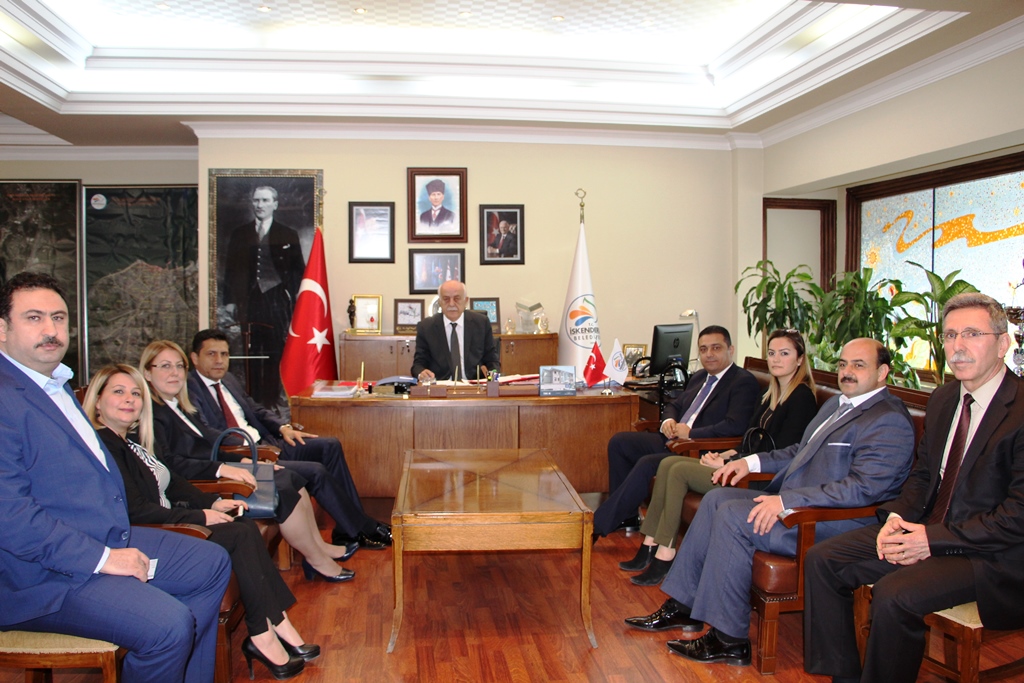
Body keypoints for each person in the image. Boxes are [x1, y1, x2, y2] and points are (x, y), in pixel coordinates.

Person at [624, 338, 916, 668]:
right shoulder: (837, 404)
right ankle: (684, 606)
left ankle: (729, 639)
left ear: (883, 372)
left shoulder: (887, 419)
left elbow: (863, 489)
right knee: (717, 498)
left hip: (831, 522)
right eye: (843, 364)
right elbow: (799, 452)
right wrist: (748, 463)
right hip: (800, 505)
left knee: (733, 515)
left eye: (858, 365)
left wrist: (787, 501)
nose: (847, 372)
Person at [0, 272, 231, 683]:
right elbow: (12, 520)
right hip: (37, 577)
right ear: (3, 328)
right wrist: (104, 559)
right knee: (168, 626)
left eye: (58, 317)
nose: (51, 330)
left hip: (97, 536)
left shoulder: (53, 386)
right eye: (34, 318)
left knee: (210, 562)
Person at [804, 294, 1024, 683]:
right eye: (950, 335)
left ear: (1003, 343)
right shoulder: (943, 399)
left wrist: (930, 540)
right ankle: (843, 676)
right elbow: (922, 477)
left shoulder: (1019, 409)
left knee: (895, 595)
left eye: (972, 334)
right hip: (927, 528)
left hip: (991, 555)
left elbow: (1016, 517)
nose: (958, 346)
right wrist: (896, 518)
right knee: (824, 559)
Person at [84, 364, 314, 680]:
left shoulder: (130, 443)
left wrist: (212, 502)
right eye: (118, 392)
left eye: (136, 393)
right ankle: (265, 631)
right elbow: (135, 511)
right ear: (97, 401)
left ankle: (273, 623)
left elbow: (173, 482)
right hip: (153, 534)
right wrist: (200, 516)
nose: (129, 399)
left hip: (169, 523)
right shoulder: (104, 445)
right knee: (239, 534)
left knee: (242, 523)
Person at [140, 340, 359, 581]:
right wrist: (223, 468)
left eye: (179, 366)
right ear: (147, 373)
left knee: (290, 476)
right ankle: (316, 560)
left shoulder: (181, 407)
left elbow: (210, 447)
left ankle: (319, 547)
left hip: (217, 468)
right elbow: (172, 465)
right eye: (165, 366)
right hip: (199, 484)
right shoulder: (152, 415)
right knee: (281, 486)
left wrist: (244, 462)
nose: (174, 373)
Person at [622, 329, 819, 586]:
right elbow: (750, 438)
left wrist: (730, 463)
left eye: (784, 354)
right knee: (668, 463)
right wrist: (727, 454)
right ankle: (650, 543)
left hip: (760, 479)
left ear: (800, 359)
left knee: (678, 470)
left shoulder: (801, 397)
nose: (776, 359)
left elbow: (783, 454)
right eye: (772, 353)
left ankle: (665, 554)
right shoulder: (771, 394)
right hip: (742, 465)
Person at [187, 328, 392, 549]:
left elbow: (256, 410)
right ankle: (362, 528)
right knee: (316, 471)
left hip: (267, 442)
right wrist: (250, 450)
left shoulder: (228, 380)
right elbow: (207, 434)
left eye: (224, 354)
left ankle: (349, 529)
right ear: (194, 358)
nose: (219, 361)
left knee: (329, 446)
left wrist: (283, 427)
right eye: (211, 354)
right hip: (246, 454)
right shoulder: (189, 389)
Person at [593, 325, 761, 538]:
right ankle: (626, 516)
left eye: (716, 348)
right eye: (703, 349)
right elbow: (675, 404)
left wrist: (690, 433)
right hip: (674, 440)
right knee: (620, 442)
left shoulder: (742, 382)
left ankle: (598, 525)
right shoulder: (699, 376)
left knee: (648, 463)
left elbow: (734, 426)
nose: (709, 354)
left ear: (731, 350)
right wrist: (669, 420)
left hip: (700, 448)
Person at [222, 185, 306, 409]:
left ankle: (269, 400)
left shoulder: (288, 234)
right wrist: (230, 301)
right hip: (248, 300)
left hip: (276, 300)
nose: (260, 205)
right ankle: (253, 400)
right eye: (256, 200)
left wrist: (292, 297)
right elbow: (231, 269)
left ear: (275, 204)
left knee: (274, 350)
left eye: (265, 200)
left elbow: (298, 270)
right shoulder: (240, 234)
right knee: (250, 349)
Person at [412, 279, 500, 382]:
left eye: (457, 299)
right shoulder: (426, 327)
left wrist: (492, 380)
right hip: (441, 385)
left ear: (465, 301)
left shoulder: (481, 323)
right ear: (440, 302)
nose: (451, 304)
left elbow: (492, 361)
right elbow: (418, 365)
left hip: (474, 385)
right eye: (446, 299)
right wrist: (421, 373)